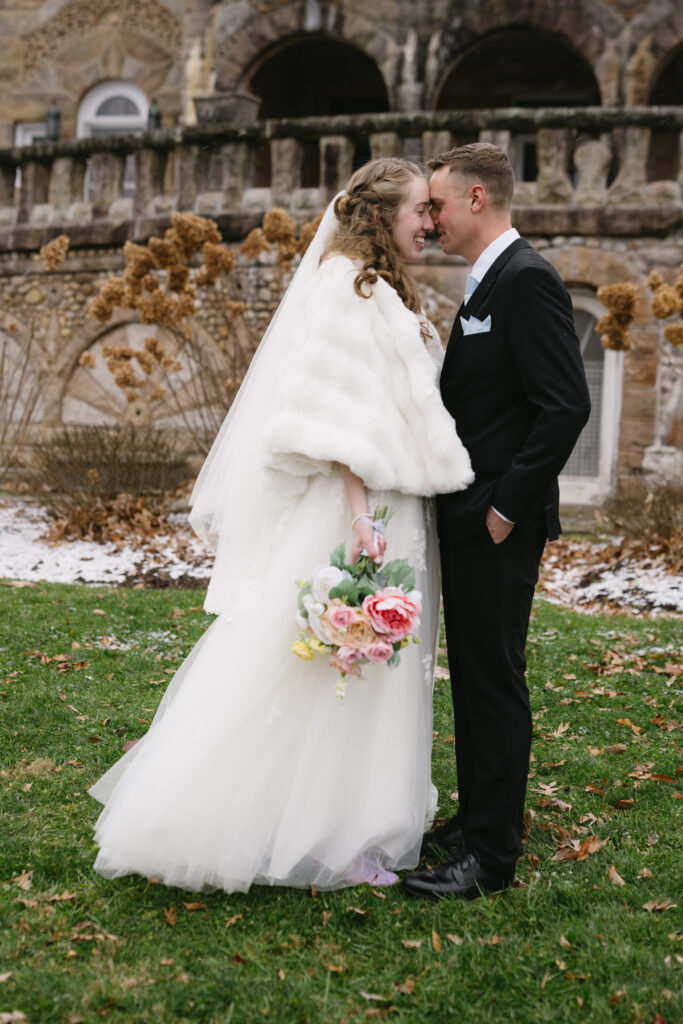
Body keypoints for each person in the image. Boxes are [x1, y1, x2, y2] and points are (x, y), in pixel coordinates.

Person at [88, 158, 473, 893]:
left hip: (396, 503)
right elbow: (335, 419)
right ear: (380, 215)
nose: (430, 222)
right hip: (361, 509)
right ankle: (288, 825)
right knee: (322, 660)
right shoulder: (345, 288)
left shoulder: (379, 285)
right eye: (419, 210)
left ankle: (356, 816)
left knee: (367, 668)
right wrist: (360, 518)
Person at [401, 143, 591, 901]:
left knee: (494, 680)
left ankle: (491, 856)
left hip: (498, 521)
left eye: (438, 204)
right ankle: (475, 819)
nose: (431, 218)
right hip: (471, 516)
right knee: (476, 675)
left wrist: (507, 507)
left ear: (476, 198)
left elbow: (565, 406)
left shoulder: (526, 278)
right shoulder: (487, 280)